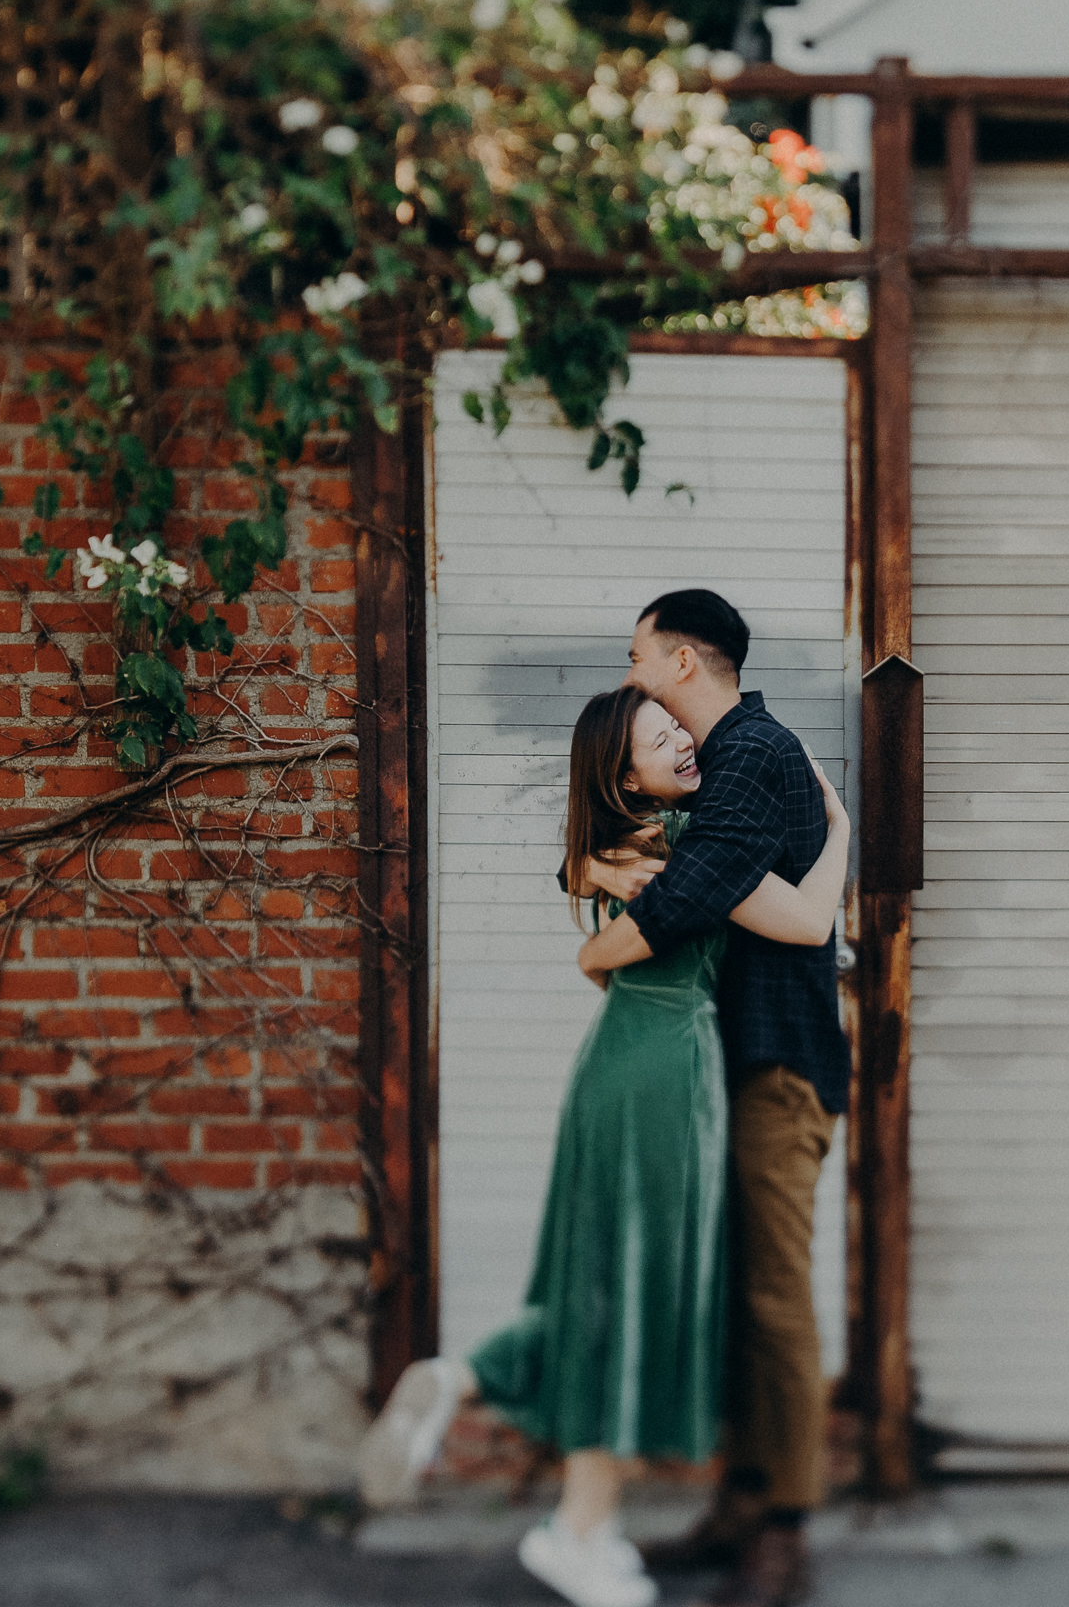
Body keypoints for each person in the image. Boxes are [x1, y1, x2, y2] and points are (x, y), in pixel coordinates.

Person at [357, 676, 850, 1607]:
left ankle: (465, 1381)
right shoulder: (688, 847)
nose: (682, 739)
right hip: (666, 1073)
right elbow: (809, 919)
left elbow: (592, 907)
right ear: (623, 778)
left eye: (677, 724)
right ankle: (578, 1530)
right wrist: (844, 838)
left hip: (618, 1063)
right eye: (658, 737)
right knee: (640, 1288)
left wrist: (588, 884)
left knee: (601, 1275)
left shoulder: (611, 852)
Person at [584, 590, 853, 1607]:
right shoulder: (724, 763)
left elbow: (690, 892)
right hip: (735, 1065)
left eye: (638, 652)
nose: (628, 670)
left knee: (773, 1298)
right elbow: (680, 875)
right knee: (737, 1295)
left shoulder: (748, 752)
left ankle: (781, 1527)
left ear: (685, 659)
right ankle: (742, 1505)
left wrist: (597, 942)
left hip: (775, 1068)